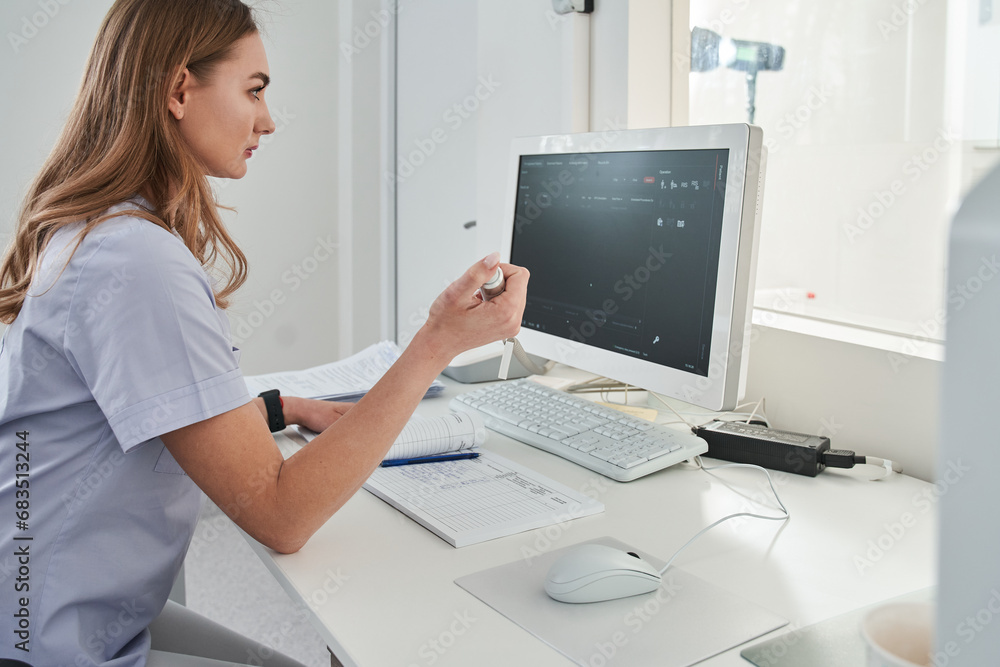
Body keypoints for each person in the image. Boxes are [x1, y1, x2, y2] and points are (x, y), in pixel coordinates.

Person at [0, 1, 528, 665]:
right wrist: (437, 342)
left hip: (45, 608)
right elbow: (281, 515)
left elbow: (149, 408)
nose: (269, 120)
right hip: (42, 642)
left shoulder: (104, 232)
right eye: (254, 90)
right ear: (178, 89)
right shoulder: (136, 260)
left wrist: (278, 409)